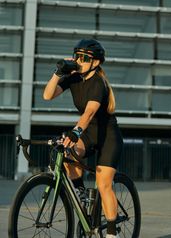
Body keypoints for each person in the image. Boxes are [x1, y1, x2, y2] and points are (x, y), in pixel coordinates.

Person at [43, 38, 123, 238]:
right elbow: (47, 95)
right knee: (67, 153)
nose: (78, 61)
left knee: (103, 184)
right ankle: (81, 194)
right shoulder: (74, 78)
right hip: (88, 134)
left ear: (95, 62)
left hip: (108, 136)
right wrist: (58, 73)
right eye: (76, 56)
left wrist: (75, 132)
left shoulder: (99, 83)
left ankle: (112, 232)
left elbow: (89, 113)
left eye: (84, 58)